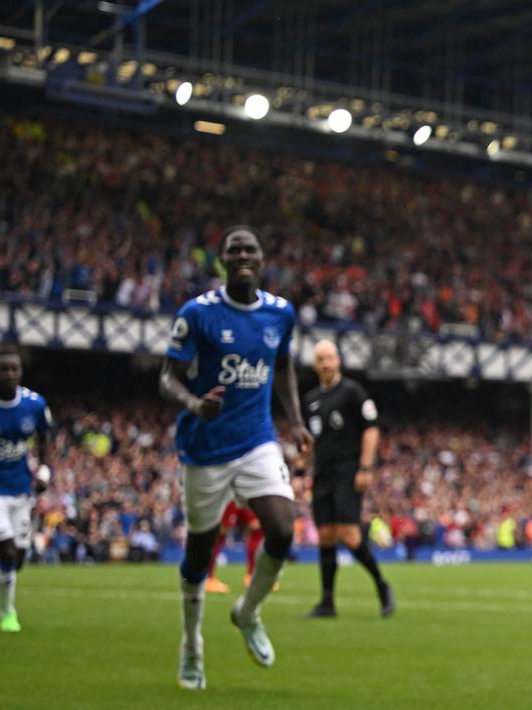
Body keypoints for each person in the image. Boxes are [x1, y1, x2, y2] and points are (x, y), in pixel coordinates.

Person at [160, 225, 313, 690]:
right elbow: (167, 377)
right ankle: (191, 645)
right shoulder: (197, 314)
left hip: (257, 440)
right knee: (200, 553)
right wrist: (193, 404)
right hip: (204, 447)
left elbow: (283, 366)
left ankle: (247, 611)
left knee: (284, 529)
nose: (242, 255)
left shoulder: (280, 314)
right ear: (222, 260)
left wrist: (297, 420)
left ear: (262, 259)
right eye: (234, 250)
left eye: (250, 248)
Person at [302, 339, 393, 619]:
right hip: (322, 473)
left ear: (338, 360)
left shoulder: (353, 392)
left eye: (330, 358)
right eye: (321, 359)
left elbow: (371, 429)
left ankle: (381, 584)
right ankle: (327, 602)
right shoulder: (311, 400)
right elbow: (308, 442)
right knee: (326, 535)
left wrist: (365, 468)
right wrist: (298, 472)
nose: (326, 363)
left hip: (348, 470)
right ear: (315, 365)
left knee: (349, 533)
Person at [0, 345, 53, 632]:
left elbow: (45, 438)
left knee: (19, 559)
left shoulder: (35, 404)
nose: (10, 374)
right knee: (9, 554)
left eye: (15, 369)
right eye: (4, 369)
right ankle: (7, 613)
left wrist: (45, 472)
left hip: (22, 492)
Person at [203, 501, 265, 594]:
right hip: (230, 495)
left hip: (244, 496)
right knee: (220, 531)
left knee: (256, 527)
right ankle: (207, 578)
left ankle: (251, 576)